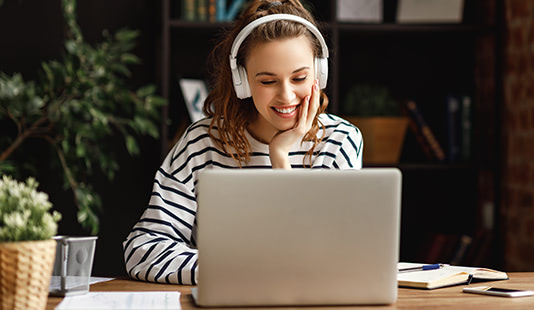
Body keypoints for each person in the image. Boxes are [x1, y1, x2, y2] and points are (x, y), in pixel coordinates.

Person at [123, 0, 363, 285]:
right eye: (267, 81)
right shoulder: (202, 142)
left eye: (299, 77)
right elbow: (143, 249)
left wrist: (281, 157)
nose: (287, 97)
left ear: (318, 75)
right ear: (242, 81)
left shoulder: (339, 141)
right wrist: (236, 271)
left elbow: (330, 257)